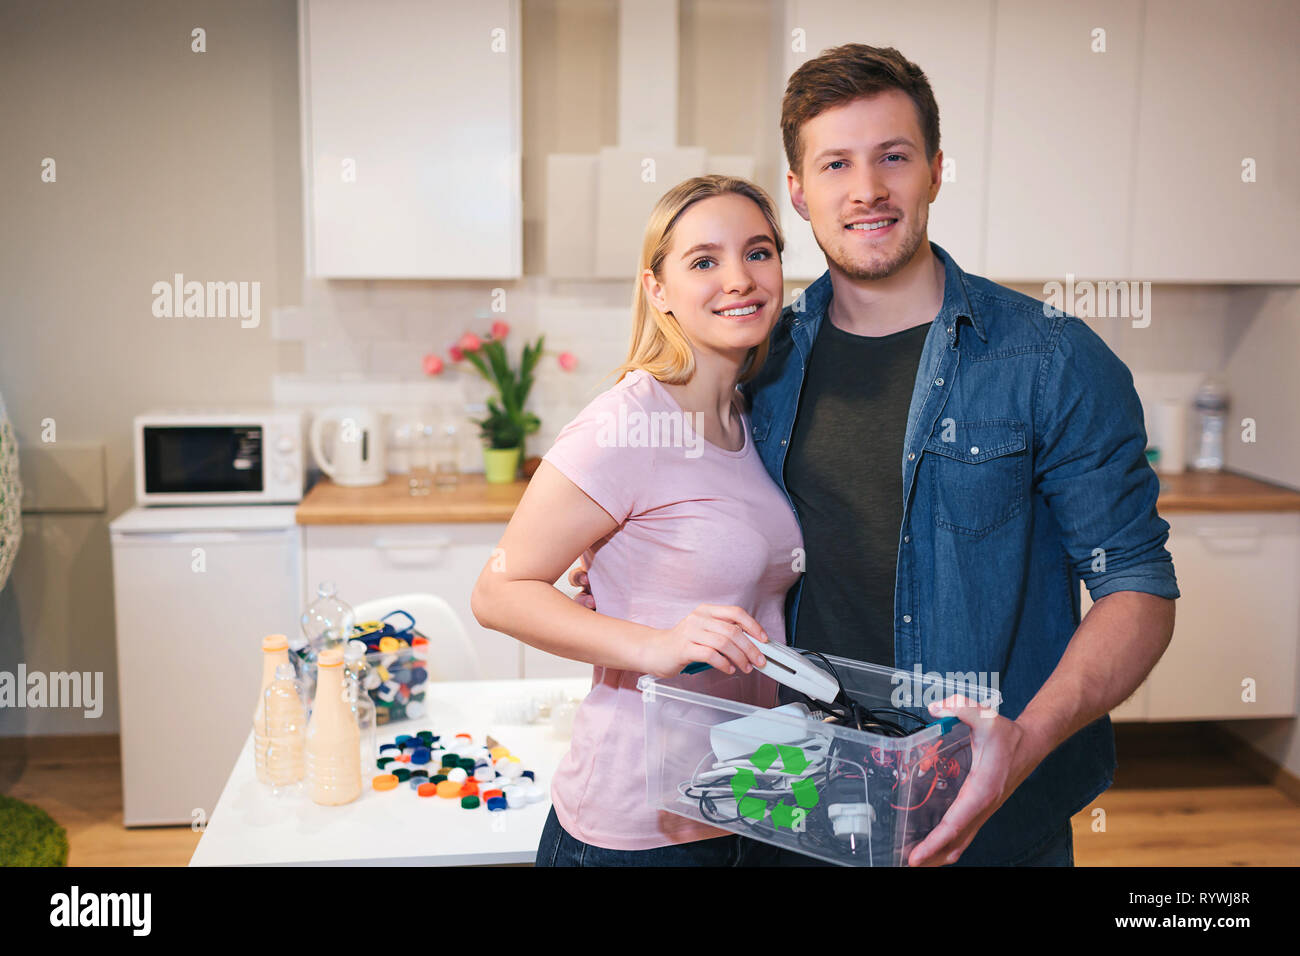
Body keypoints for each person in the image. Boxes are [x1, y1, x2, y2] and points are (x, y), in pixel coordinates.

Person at [571, 43, 1179, 867]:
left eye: (893, 156)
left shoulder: (1052, 361)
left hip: (990, 807)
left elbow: (1136, 585)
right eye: (835, 164)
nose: (866, 190)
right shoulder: (764, 360)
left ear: (933, 169)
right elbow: (711, 515)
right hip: (795, 795)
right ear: (798, 192)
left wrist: (1022, 744)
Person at [471, 175, 804, 865]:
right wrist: (654, 645)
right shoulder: (629, 422)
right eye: (704, 261)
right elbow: (498, 590)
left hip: (744, 799)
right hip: (635, 824)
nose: (739, 279)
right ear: (657, 289)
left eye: (760, 252)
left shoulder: (750, 417)